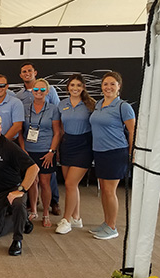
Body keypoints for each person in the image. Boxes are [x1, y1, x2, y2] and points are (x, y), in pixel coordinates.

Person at [0, 111, 39, 256]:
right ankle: (24, 219)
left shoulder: (10, 146)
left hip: (12, 188)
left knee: (18, 203)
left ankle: (17, 240)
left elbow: (34, 168)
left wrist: (21, 189)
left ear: (0, 127)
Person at [89, 71, 135, 240]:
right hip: (99, 152)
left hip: (116, 152)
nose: (108, 87)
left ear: (119, 87)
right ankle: (106, 222)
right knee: (104, 189)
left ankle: (112, 226)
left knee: (110, 191)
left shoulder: (123, 106)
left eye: (112, 84)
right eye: (105, 84)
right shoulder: (99, 104)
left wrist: (131, 153)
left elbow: (132, 130)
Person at [15, 62, 61, 216]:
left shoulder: (53, 107)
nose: (39, 91)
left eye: (42, 89)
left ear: (47, 91)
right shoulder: (22, 101)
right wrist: (22, 149)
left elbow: (57, 131)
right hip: (29, 150)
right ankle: (33, 209)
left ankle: (49, 210)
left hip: (46, 150)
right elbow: (21, 130)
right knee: (32, 181)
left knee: (45, 182)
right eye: (36, 89)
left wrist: (52, 151)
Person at [55, 74, 96, 234]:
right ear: (68, 87)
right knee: (72, 185)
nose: (75, 88)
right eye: (72, 85)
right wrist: (58, 148)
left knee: (70, 184)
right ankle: (76, 218)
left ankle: (66, 220)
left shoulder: (91, 104)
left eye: (79, 85)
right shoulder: (62, 104)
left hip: (84, 146)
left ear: (83, 87)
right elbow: (60, 129)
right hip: (67, 145)